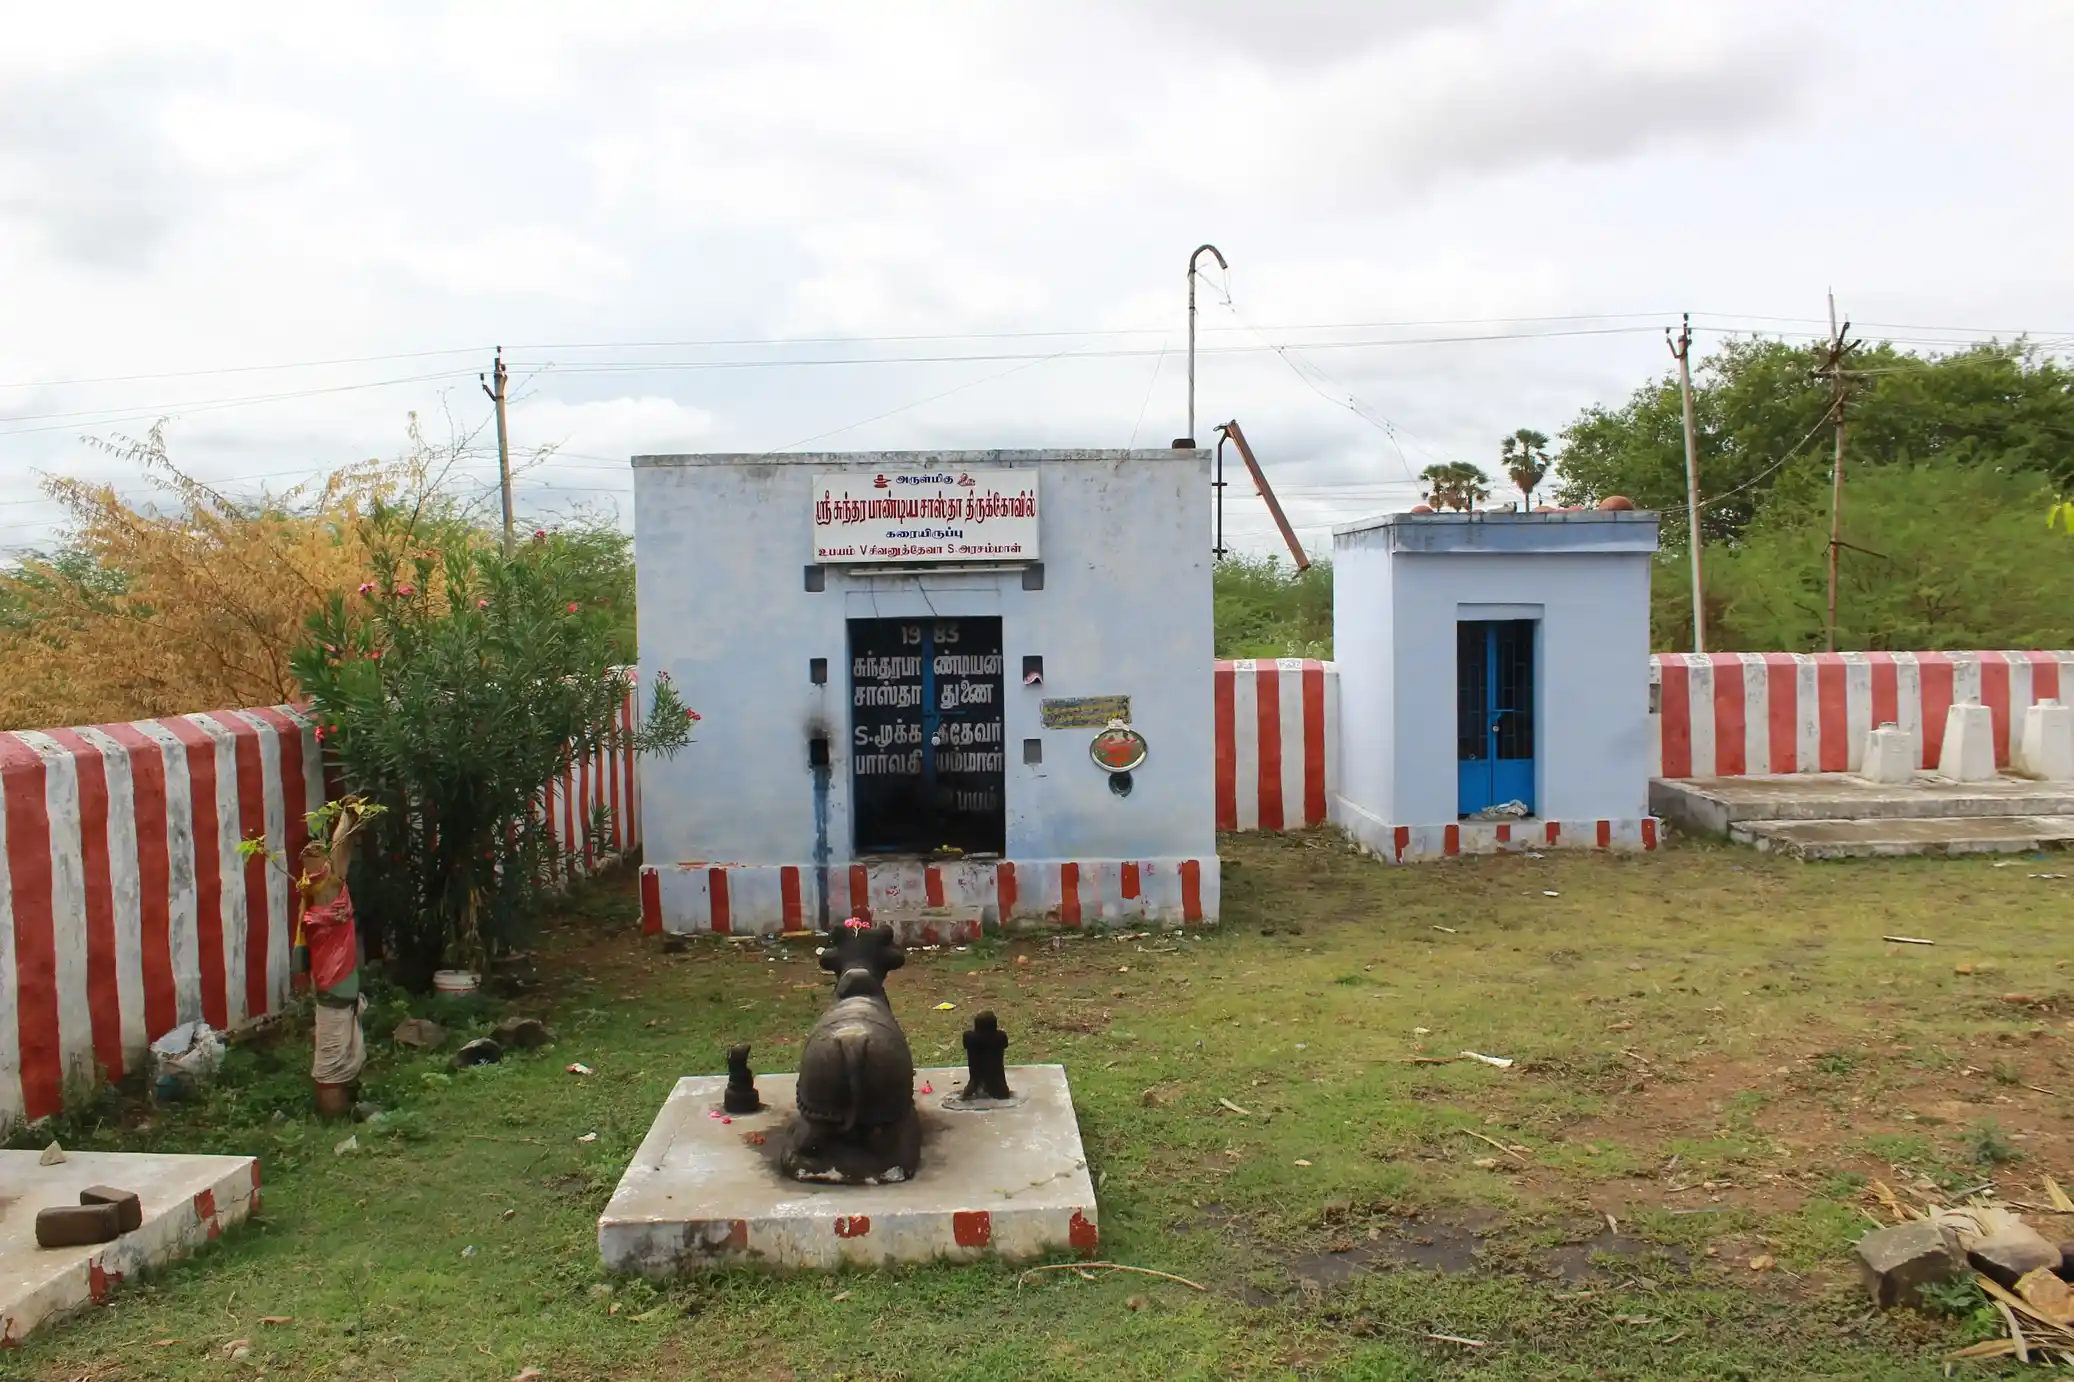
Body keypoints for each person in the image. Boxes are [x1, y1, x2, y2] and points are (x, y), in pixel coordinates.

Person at [300, 802, 369, 1118]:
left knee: (343, 1058)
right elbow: (340, 855)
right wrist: (348, 819)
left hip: (344, 996)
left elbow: (341, 858)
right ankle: (333, 1123)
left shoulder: (330, 899)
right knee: (329, 1070)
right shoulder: (326, 906)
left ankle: (344, 1113)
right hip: (335, 996)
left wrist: (349, 819)